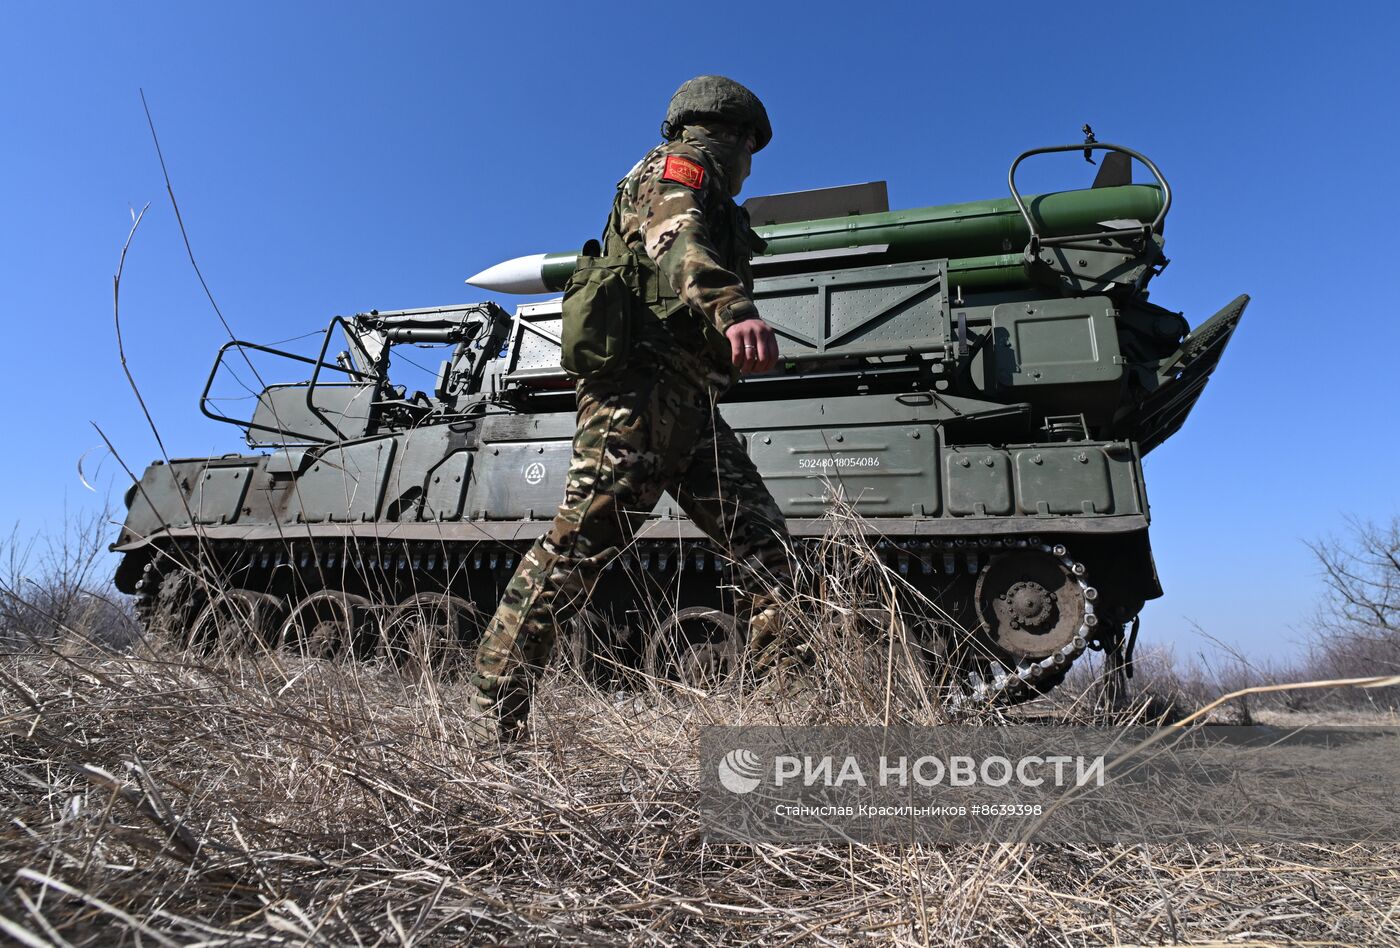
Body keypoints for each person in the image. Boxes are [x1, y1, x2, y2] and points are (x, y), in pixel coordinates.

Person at [469, 75, 795, 742]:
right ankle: (490, 724)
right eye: (749, 149)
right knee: (579, 547)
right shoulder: (673, 171)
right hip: (636, 392)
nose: (747, 165)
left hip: (691, 402)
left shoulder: (726, 207)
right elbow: (675, 243)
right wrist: (734, 311)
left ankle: (789, 719)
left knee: (768, 548)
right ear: (728, 136)